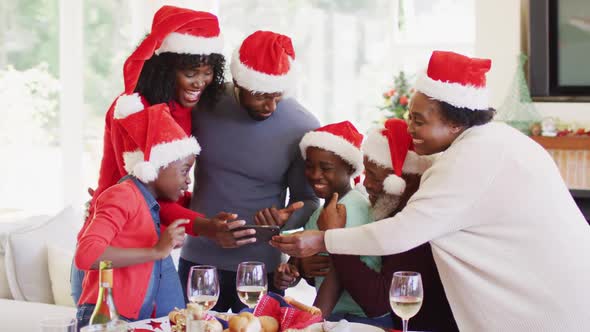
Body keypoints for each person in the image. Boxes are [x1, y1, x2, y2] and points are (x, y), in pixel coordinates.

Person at [271, 51, 590, 331]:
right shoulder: (501, 140)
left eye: (418, 120)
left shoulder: (466, 160)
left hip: (546, 311)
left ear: (454, 122)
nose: (408, 127)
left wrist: (323, 238)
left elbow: (400, 232)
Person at [71, 6, 248, 304]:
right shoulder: (132, 110)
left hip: (153, 246)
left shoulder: (187, 109)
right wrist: (204, 226)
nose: (199, 83)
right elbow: (147, 197)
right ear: (164, 69)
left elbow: (171, 194)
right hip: (117, 250)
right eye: (190, 73)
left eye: (207, 74)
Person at [162, 30, 320, 313]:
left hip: (262, 270)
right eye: (260, 95)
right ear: (239, 81)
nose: (270, 106)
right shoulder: (204, 104)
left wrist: (286, 217)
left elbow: (308, 200)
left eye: (277, 96)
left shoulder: (302, 126)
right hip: (199, 261)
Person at [75, 103, 202, 328]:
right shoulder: (122, 195)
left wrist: (163, 244)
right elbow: (87, 255)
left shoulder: (144, 202)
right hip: (105, 318)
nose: (188, 180)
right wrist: (155, 251)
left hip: (126, 319)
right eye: (184, 170)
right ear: (156, 167)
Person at [328, 119, 457, 331]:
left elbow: (378, 302)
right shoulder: (389, 208)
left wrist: (334, 238)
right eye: (365, 172)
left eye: (375, 177)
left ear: (407, 180)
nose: (366, 184)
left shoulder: (416, 220)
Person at [275, 121, 381, 323]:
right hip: (335, 315)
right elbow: (299, 262)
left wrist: (309, 322)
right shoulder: (320, 213)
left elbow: (338, 276)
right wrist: (290, 273)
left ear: (350, 168)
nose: (315, 175)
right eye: (309, 166)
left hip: (360, 319)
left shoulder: (353, 207)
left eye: (326, 168)